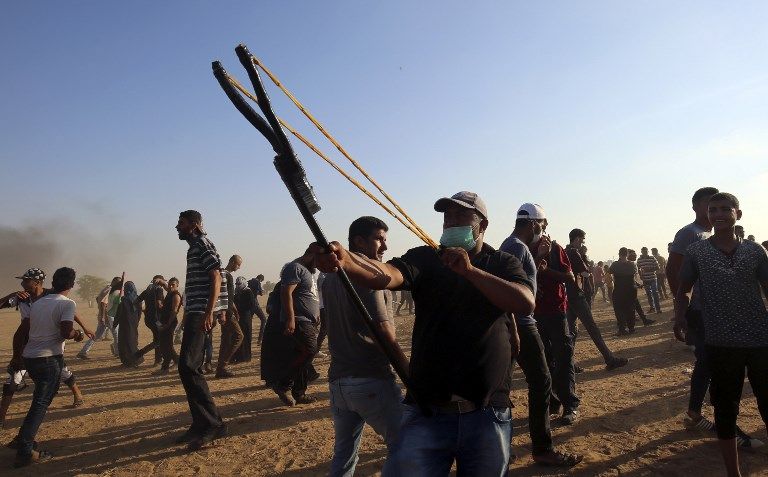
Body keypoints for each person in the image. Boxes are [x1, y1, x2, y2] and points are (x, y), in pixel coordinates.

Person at [313, 191, 534, 476]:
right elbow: (387, 274)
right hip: (428, 410)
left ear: (483, 225)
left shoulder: (501, 262)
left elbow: (524, 302)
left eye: (461, 216)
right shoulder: (426, 258)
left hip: (487, 410)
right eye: (447, 217)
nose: (451, 223)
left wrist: (469, 272)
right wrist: (346, 260)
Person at [674, 192, 768, 477]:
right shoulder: (697, 252)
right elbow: (684, 288)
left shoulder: (755, 251)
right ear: (707, 215)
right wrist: (681, 316)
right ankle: (733, 473)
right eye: (713, 209)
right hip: (719, 340)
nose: (718, 214)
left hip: (759, 339)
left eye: (726, 209)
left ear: (738, 214)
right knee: (726, 408)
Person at [324, 216, 410, 476]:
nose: (384, 247)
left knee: (344, 454)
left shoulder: (329, 277)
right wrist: (409, 375)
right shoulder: (370, 276)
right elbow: (384, 331)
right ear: (358, 241)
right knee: (405, 445)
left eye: (385, 240)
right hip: (370, 379)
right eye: (379, 239)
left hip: (339, 382)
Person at [500, 204, 583, 467]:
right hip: (522, 323)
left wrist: (539, 261)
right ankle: (542, 448)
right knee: (541, 381)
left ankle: (506, 446)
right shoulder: (516, 246)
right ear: (534, 224)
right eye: (542, 225)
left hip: (522, 321)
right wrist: (514, 328)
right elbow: (510, 289)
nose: (543, 230)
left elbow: (521, 278)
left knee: (514, 384)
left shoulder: (515, 246)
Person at [0, 269, 90, 430]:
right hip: (28, 341)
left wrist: (84, 327)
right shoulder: (21, 298)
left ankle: (77, 394)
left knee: (61, 370)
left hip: (50, 341)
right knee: (13, 379)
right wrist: (10, 295)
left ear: (37, 282)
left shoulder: (51, 295)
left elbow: (69, 311)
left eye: (26, 280)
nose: (22, 283)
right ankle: (2, 417)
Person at [13, 267, 85, 467]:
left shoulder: (37, 303)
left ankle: (23, 439)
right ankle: (25, 449)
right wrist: (77, 334)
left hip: (30, 358)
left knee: (38, 401)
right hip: (48, 360)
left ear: (53, 282)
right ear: (71, 285)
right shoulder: (68, 304)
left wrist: (17, 356)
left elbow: (23, 331)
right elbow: (65, 332)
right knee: (40, 404)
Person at [174, 210, 226, 451]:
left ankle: (213, 424)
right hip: (194, 312)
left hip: (200, 313)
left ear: (194, 225)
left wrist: (209, 311)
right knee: (186, 368)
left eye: (181, 223)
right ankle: (200, 423)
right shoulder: (193, 246)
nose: (177, 227)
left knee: (189, 366)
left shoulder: (202, 244)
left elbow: (215, 276)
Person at [564, 229, 629, 371]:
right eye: (582, 239)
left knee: (572, 331)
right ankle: (609, 359)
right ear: (577, 238)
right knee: (592, 328)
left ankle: (568, 364)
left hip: (571, 295)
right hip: (577, 295)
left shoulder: (565, 251)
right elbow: (585, 271)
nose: (583, 242)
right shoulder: (573, 252)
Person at [272, 248, 322, 406]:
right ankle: (282, 383)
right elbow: (286, 292)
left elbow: (309, 296)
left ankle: (299, 392)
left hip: (308, 320)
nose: (320, 265)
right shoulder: (295, 268)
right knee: (310, 350)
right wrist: (290, 318)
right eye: (319, 260)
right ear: (311, 255)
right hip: (299, 320)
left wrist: (316, 314)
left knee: (302, 355)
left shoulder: (308, 271)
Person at [77, 276, 121, 359]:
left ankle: (83, 352)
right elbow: (103, 303)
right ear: (115, 283)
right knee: (116, 334)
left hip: (104, 315)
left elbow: (98, 299)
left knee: (97, 335)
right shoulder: (109, 290)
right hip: (107, 316)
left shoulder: (107, 288)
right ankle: (118, 352)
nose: (120, 285)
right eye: (119, 283)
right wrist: (103, 316)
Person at [215, 255, 244, 378]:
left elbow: (229, 296)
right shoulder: (225, 275)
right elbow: (221, 294)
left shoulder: (227, 275)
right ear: (232, 262)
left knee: (225, 340)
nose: (238, 267)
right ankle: (223, 365)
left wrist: (236, 310)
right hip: (225, 313)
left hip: (228, 312)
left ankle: (220, 369)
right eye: (238, 264)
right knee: (239, 336)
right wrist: (222, 313)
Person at [609, 248, 639, 334]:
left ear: (619, 254)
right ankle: (631, 328)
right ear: (627, 254)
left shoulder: (615, 265)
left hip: (619, 289)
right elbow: (634, 273)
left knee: (619, 309)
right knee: (630, 308)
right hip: (631, 289)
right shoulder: (632, 264)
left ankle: (622, 328)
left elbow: (609, 271)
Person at [155, 277, 182, 374]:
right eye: (170, 284)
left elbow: (174, 311)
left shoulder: (176, 296)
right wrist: (161, 281)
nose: (170, 286)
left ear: (177, 285)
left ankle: (165, 368)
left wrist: (167, 324)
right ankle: (177, 362)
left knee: (167, 345)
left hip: (169, 323)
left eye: (173, 285)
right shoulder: (170, 292)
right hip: (164, 322)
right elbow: (166, 286)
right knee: (164, 345)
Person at [137, 275, 165, 366]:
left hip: (148, 319)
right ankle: (140, 353)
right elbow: (159, 304)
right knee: (159, 340)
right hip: (157, 319)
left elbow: (137, 301)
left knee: (158, 338)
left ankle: (158, 360)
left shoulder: (147, 290)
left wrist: (145, 310)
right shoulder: (159, 289)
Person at [113, 281, 142, 367]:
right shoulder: (138, 299)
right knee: (132, 341)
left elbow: (118, 314)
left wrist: (115, 323)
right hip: (133, 323)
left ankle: (128, 362)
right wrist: (136, 322)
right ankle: (134, 360)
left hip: (124, 324)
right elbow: (139, 313)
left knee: (124, 343)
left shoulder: (123, 301)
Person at [627, 249, 655, 326]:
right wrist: (636, 285)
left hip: (630, 288)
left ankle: (643, 319)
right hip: (629, 289)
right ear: (628, 255)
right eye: (633, 254)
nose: (635, 255)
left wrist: (638, 284)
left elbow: (631, 278)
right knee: (632, 305)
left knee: (636, 305)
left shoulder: (630, 264)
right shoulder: (630, 265)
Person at [231, 276, 256, 363]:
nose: (237, 285)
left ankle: (245, 357)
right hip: (238, 317)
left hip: (246, 317)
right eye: (236, 284)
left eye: (239, 284)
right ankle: (238, 357)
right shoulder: (237, 292)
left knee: (246, 337)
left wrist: (241, 309)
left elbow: (251, 305)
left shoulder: (248, 291)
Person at [637, 247, 662, 313]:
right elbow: (638, 269)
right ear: (641, 252)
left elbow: (657, 267)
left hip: (653, 278)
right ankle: (652, 308)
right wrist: (640, 275)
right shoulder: (639, 260)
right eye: (643, 251)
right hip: (645, 279)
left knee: (655, 293)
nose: (645, 253)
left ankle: (658, 309)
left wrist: (649, 269)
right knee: (648, 294)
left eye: (646, 251)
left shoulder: (652, 258)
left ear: (647, 252)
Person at [248, 274, 268, 344]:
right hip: (255, 304)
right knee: (263, 319)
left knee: (249, 321)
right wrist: (260, 291)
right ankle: (260, 339)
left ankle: (248, 338)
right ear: (261, 279)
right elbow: (261, 293)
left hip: (248, 305)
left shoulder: (249, 281)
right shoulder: (257, 282)